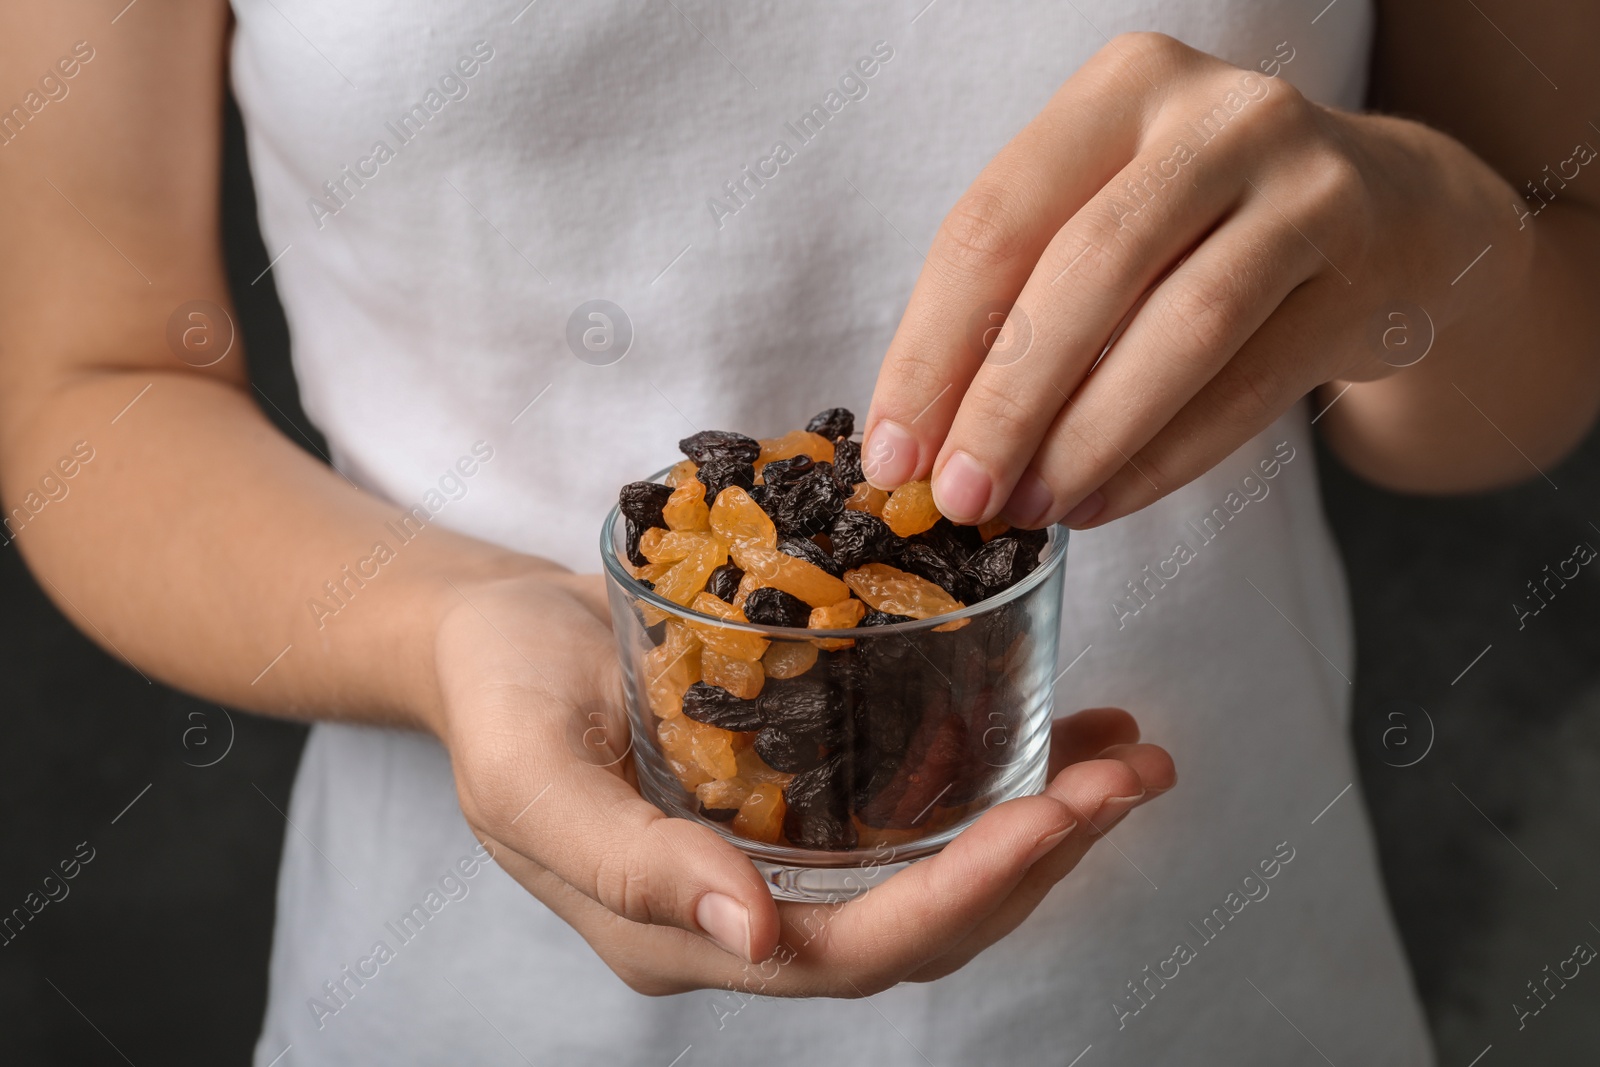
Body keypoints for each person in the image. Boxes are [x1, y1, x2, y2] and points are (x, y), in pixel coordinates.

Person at [2, 1, 1595, 1063]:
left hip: (1221, 980)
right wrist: (452, 634)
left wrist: (1416, 239)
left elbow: (1532, 349)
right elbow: (91, 384)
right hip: (462, 999)